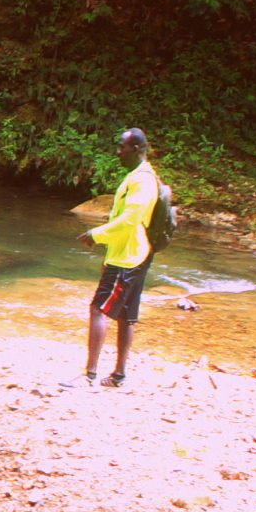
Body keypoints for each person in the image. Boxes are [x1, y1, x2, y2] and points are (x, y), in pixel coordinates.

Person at [78, 128, 161, 387]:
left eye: (122, 147)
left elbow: (130, 220)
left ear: (136, 149)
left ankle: (89, 375)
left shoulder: (143, 180)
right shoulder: (139, 176)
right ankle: (119, 375)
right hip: (133, 254)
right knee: (126, 316)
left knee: (98, 309)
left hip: (126, 258)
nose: (118, 151)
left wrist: (96, 234)